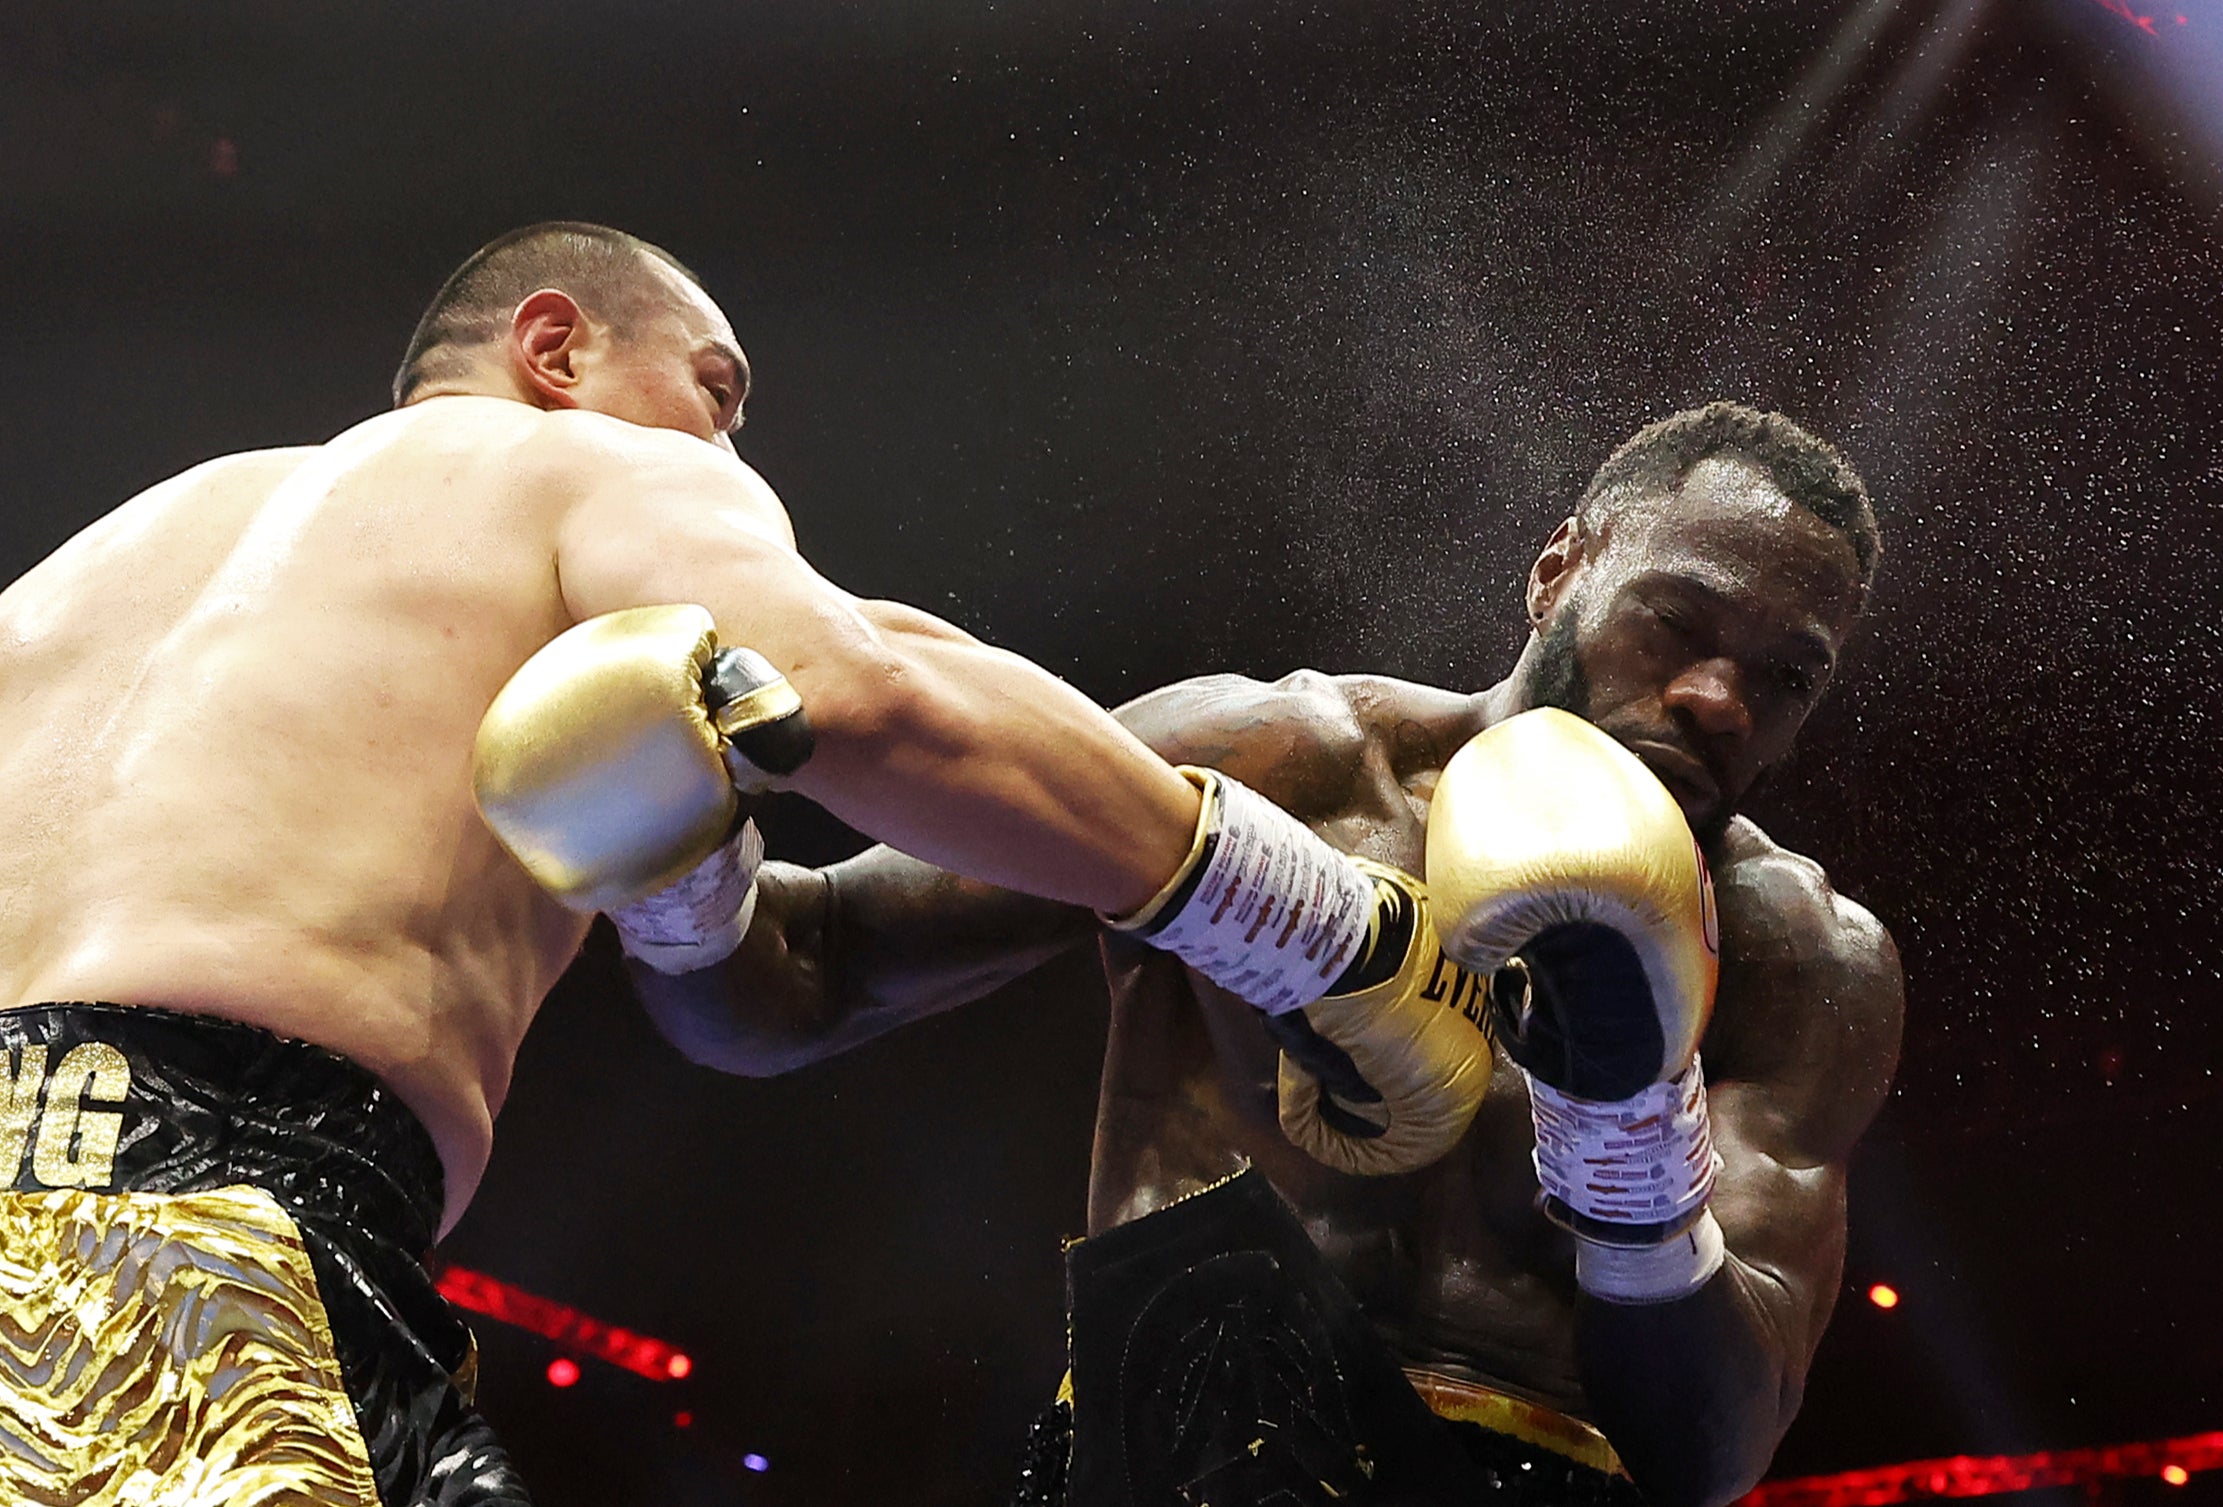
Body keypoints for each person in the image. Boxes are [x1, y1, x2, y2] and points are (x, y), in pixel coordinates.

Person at [0, 222, 1478, 1506]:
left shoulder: (99, 563)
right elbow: (862, 686)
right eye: (715, 394)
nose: (727, 456)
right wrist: (1314, 924)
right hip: (188, 1234)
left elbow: (898, 648)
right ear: (553, 345)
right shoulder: (582, 467)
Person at [651, 402, 1907, 1507]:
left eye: (1787, 675)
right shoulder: (1279, 764)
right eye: (1676, 621)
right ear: (1556, 572)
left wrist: (1630, 1128)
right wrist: (665, 856)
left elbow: (1715, 1449)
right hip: (1174, 1456)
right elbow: (796, 977)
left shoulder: (1799, 955)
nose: (1718, 700)